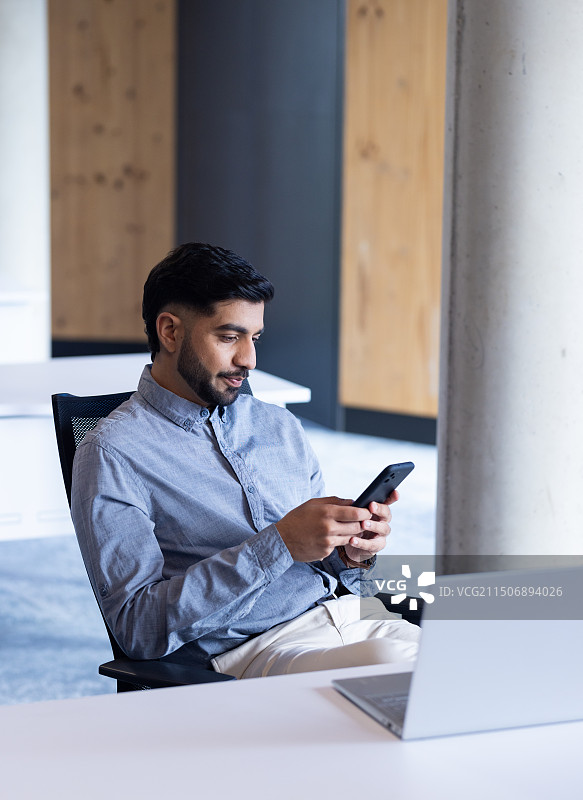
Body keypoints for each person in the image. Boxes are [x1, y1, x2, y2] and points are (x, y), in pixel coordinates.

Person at [71, 242, 420, 679]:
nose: (249, 359)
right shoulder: (113, 452)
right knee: (406, 676)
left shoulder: (279, 427)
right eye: (228, 336)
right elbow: (137, 629)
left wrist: (349, 553)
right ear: (170, 331)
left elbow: (324, 565)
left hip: (354, 620)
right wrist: (279, 544)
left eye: (254, 338)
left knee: (499, 652)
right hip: (256, 652)